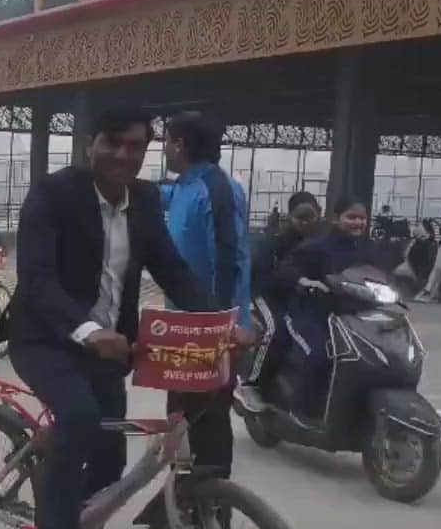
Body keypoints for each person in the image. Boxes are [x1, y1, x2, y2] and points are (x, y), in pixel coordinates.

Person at [2, 108, 211, 529]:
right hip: (45, 338)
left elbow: (171, 268)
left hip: (109, 348)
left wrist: (219, 320)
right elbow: (37, 280)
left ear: (147, 151)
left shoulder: (144, 200)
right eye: (112, 143)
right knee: (79, 417)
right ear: (90, 144)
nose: (122, 155)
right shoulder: (52, 195)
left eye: (134, 146)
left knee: (110, 452)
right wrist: (89, 329)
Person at [159, 111, 251, 501]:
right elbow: (156, 194)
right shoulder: (184, 187)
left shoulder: (217, 188)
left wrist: (227, 324)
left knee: (210, 421)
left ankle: (215, 509)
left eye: (165, 141)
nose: (162, 149)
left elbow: (228, 261)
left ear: (179, 144)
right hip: (181, 327)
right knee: (179, 416)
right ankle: (181, 496)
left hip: (211, 329)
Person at [275, 194, 382, 426]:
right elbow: (286, 271)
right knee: (319, 354)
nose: (357, 223)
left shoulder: (369, 248)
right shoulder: (316, 247)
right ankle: (299, 409)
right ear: (336, 218)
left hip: (352, 316)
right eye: (351, 217)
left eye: (362, 218)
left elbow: (381, 277)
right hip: (310, 314)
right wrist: (307, 283)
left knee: (373, 356)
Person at [237, 191, 325, 411]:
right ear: (289, 217)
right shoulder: (274, 241)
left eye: (310, 216)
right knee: (274, 331)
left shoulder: (324, 241)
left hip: (301, 297)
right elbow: (265, 275)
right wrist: (294, 282)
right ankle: (251, 384)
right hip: (267, 294)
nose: (306, 222)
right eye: (300, 217)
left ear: (320, 214)